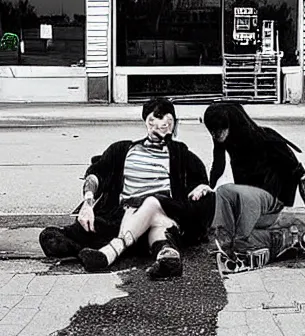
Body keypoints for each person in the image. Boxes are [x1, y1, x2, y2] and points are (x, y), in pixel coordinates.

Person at [39, 98, 214, 280]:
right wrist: (88, 203)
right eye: (155, 120)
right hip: (121, 218)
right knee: (50, 237)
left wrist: (202, 187)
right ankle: (166, 254)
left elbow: (201, 184)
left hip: (165, 212)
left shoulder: (183, 155)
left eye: (167, 122)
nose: (161, 126)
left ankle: (110, 252)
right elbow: (96, 175)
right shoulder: (122, 150)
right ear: (147, 121)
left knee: (153, 203)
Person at [196, 102, 305, 273]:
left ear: (233, 124)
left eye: (219, 130)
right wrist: (205, 187)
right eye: (212, 131)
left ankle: (240, 243)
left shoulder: (268, 139)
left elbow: (302, 179)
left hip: (271, 200)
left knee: (225, 192)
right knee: (218, 198)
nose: (216, 135)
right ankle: (287, 237)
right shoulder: (226, 141)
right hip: (250, 204)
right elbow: (218, 166)